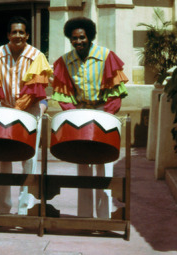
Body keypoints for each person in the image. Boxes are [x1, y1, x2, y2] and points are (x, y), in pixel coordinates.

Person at [51, 16, 128, 218]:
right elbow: (64, 94)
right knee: (83, 162)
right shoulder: (64, 61)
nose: (78, 42)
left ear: (90, 36)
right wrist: (74, 114)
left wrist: (105, 118)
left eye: (82, 37)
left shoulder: (106, 56)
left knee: (104, 163)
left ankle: (104, 217)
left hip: (102, 112)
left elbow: (115, 94)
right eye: (74, 38)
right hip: (79, 114)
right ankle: (84, 216)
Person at [0, 16, 52, 215]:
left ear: (27, 35)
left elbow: (33, 89)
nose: (17, 36)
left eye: (21, 32)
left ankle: (24, 209)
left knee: (29, 159)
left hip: (30, 109)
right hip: (4, 108)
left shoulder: (37, 56)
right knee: (4, 157)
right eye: (14, 32)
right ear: (8, 34)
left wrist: (18, 114)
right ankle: (3, 208)